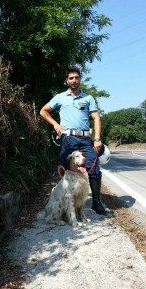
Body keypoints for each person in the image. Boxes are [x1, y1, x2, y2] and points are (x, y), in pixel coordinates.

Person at [40, 66, 111, 215]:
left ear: (80, 79)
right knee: (66, 171)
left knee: (95, 169)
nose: (74, 80)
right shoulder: (60, 97)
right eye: (71, 78)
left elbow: (96, 118)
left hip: (85, 140)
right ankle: (65, 203)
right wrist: (55, 124)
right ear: (67, 80)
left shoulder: (88, 98)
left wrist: (97, 139)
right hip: (68, 139)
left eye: (76, 77)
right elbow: (43, 111)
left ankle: (96, 203)